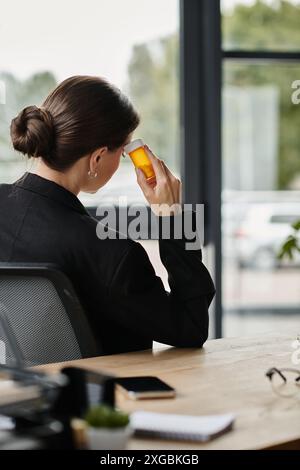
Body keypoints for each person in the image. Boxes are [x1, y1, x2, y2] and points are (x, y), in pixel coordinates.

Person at [0, 75, 215, 356]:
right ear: (97, 158)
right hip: (98, 398)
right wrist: (172, 218)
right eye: (123, 153)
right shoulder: (111, 254)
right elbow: (191, 326)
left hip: (16, 394)